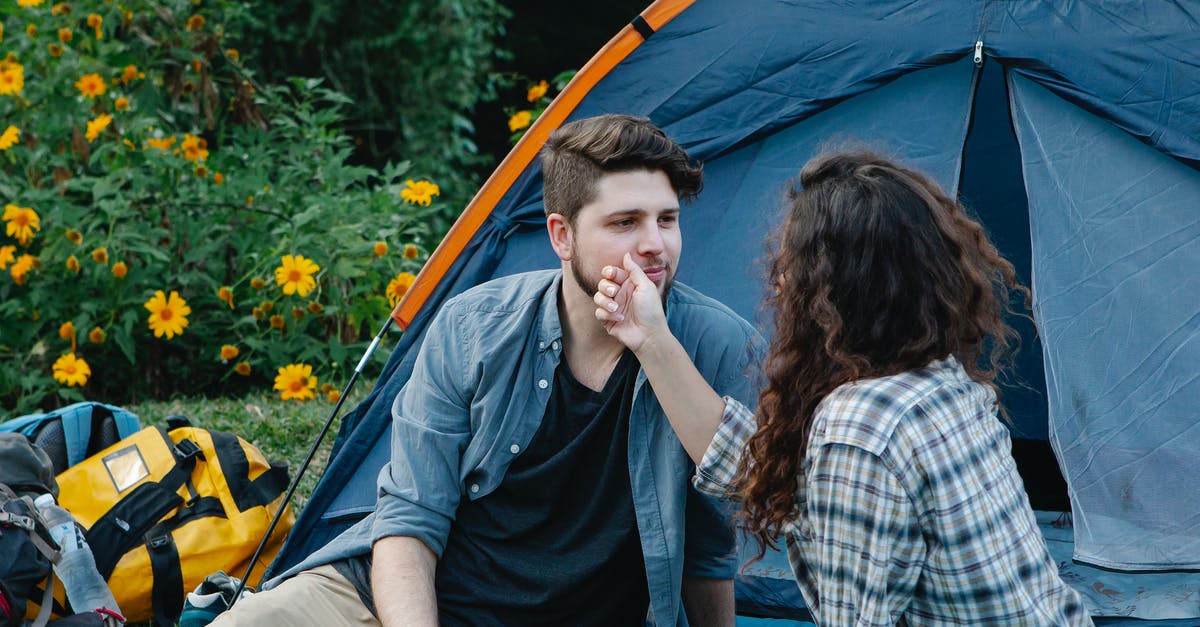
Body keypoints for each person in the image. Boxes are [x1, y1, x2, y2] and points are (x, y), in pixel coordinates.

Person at [210, 114, 761, 627]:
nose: (654, 245)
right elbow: (410, 517)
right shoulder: (474, 327)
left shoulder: (715, 345)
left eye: (667, 220)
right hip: (407, 598)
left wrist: (656, 346)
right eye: (625, 222)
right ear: (561, 236)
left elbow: (720, 535)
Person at [593, 150, 1094, 625]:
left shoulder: (860, 428)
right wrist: (653, 341)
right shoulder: (935, 383)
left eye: (791, 265)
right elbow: (764, 470)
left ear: (829, 287)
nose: (779, 283)